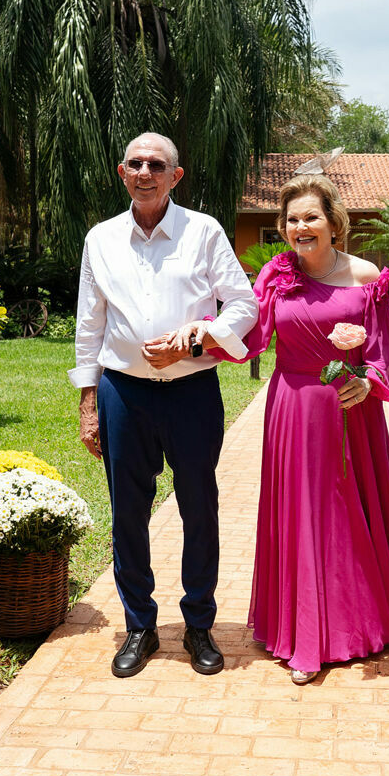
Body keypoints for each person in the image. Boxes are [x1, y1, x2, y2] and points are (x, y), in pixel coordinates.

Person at [171, 173, 389, 683]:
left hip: (353, 409)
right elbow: (252, 334)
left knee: (349, 512)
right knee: (305, 513)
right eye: (291, 219)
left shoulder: (364, 275)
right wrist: (199, 338)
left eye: (311, 217)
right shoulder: (274, 275)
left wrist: (368, 381)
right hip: (293, 408)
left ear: (333, 221)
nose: (300, 227)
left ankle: (363, 619)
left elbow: (382, 352)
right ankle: (307, 635)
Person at [70, 133, 258, 678]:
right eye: (136, 163)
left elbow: (242, 303)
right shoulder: (101, 239)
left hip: (192, 392)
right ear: (121, 172)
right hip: (123, 393)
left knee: (199, 506)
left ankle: (199, 624)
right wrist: (89, 402)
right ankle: (139, 626)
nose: (146, 171)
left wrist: (196, 337)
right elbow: (89, 324)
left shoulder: (203, 231)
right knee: (127, 511)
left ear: (176, 176)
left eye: (158, 164)